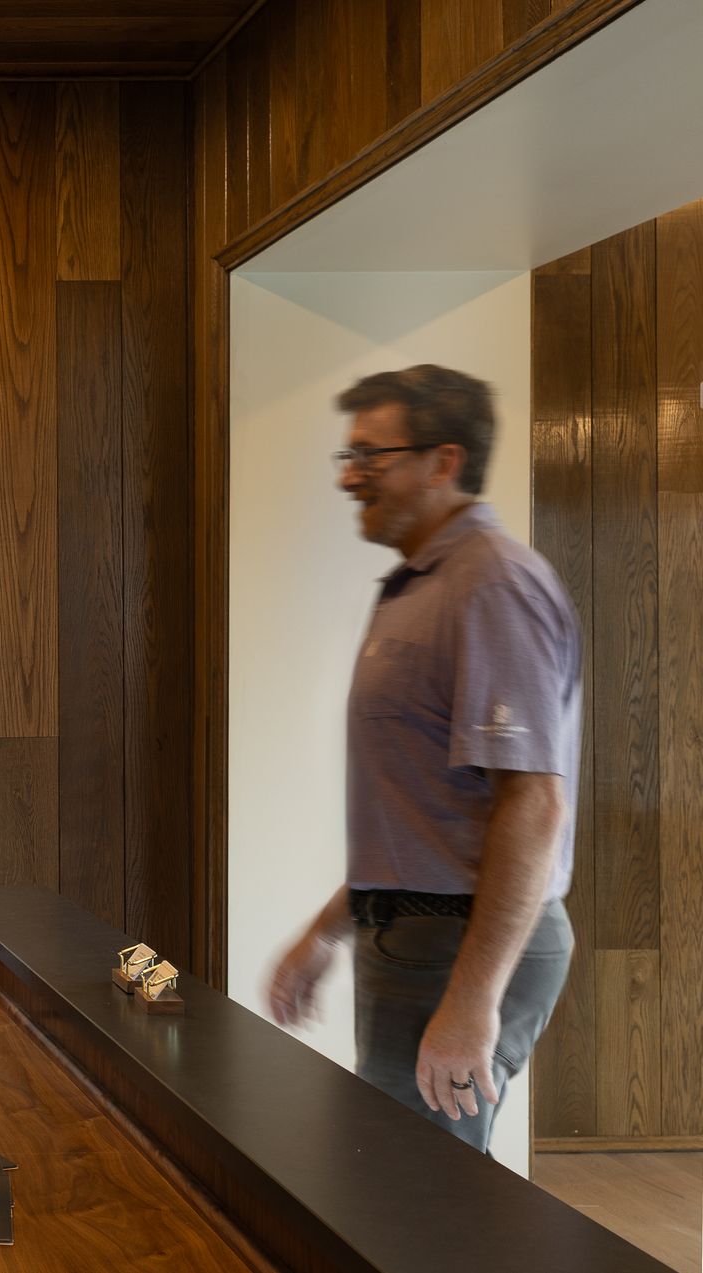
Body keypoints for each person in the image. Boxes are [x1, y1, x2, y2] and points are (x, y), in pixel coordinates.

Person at [267, 365, 581, 1152]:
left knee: (415, 1202)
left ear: (444, 461)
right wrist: (328, 931)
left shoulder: (493, 585)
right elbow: (421, 815)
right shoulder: (417, 586)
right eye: (347, 457)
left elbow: (533, 804)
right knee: (392, 1188)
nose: (349, 478)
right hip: (412, 936)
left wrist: (474, 999)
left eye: (371, 456)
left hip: (459, 944)